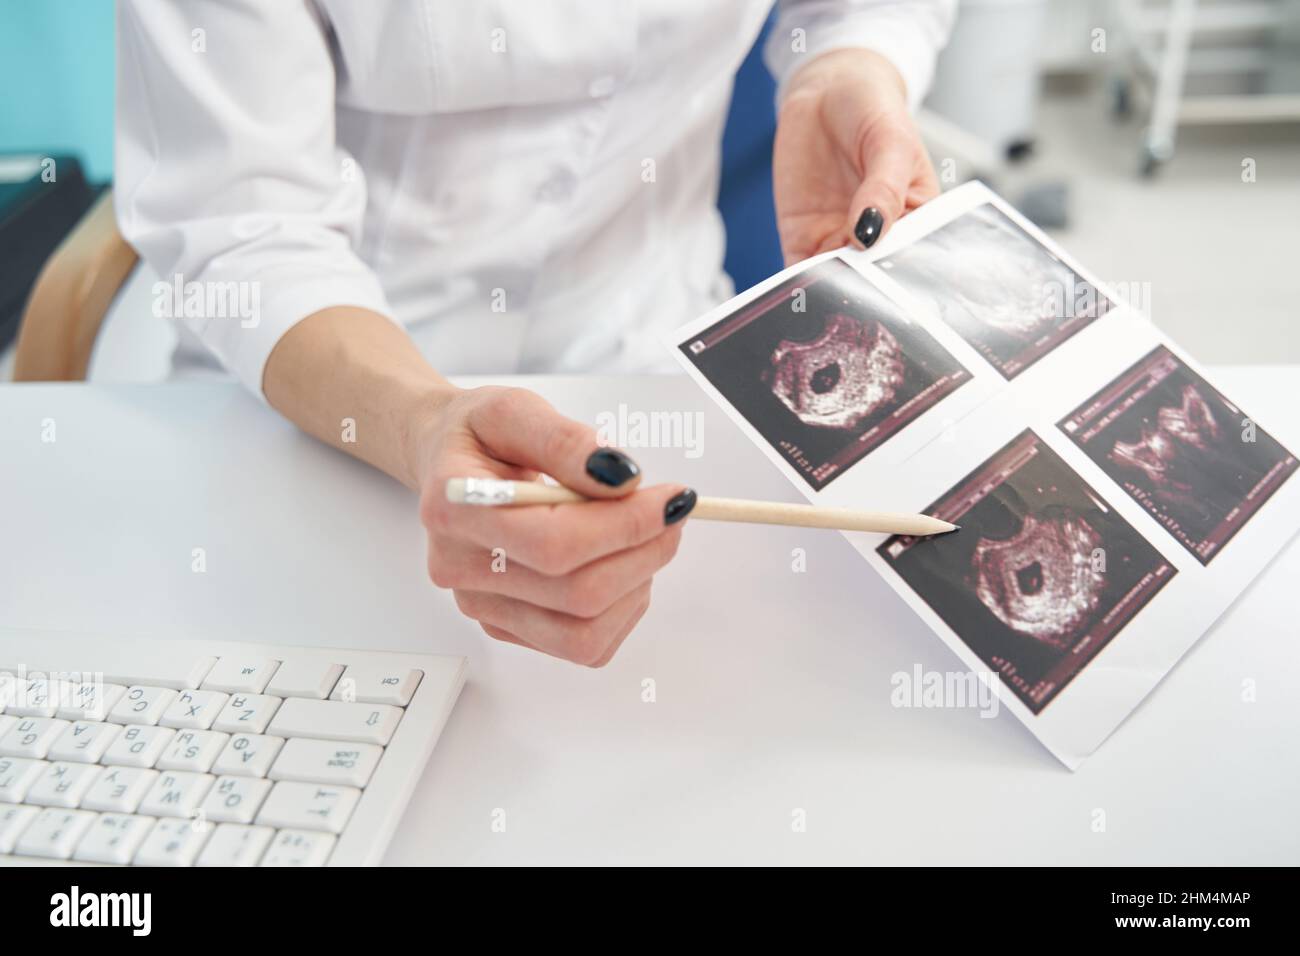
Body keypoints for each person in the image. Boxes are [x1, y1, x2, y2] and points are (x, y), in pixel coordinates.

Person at [116, 0, 955, 666]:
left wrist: (847, 69)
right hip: (324, 393)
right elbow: (246, 225)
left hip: (649, 357)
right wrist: (422, 423)